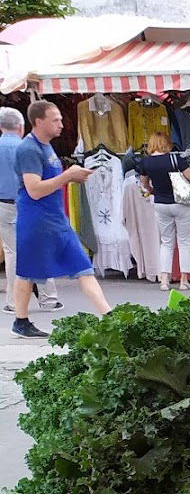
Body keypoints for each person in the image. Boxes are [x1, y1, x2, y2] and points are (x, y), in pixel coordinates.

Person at [12, 100, 111, 339]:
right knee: (26, 272)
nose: (61, 124)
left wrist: (71, 177)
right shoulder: (29, 149)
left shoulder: (46, 147)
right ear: (38, 122)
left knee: (83, 267)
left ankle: (109, 316)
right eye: (55, 119)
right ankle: (21, 320)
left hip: (55, 218)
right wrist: (68, 175)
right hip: (35, 219)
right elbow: (34, 189)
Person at [0, 108, 60, 317]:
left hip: (4, 204)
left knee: (12, 252)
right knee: (39, 247)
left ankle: (13, 302)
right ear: (21, 126)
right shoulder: (30, 147)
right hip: (31, 203)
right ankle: (49, 298)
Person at [137, 132, 190, 290]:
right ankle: (184, 280)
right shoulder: (177, 159)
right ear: (166, 143)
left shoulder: (146, 162)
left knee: (166, 242)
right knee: (184, 242)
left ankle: (164, 280)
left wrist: (153, 190)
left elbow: (145, 184)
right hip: (181, 204)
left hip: (161, 204)